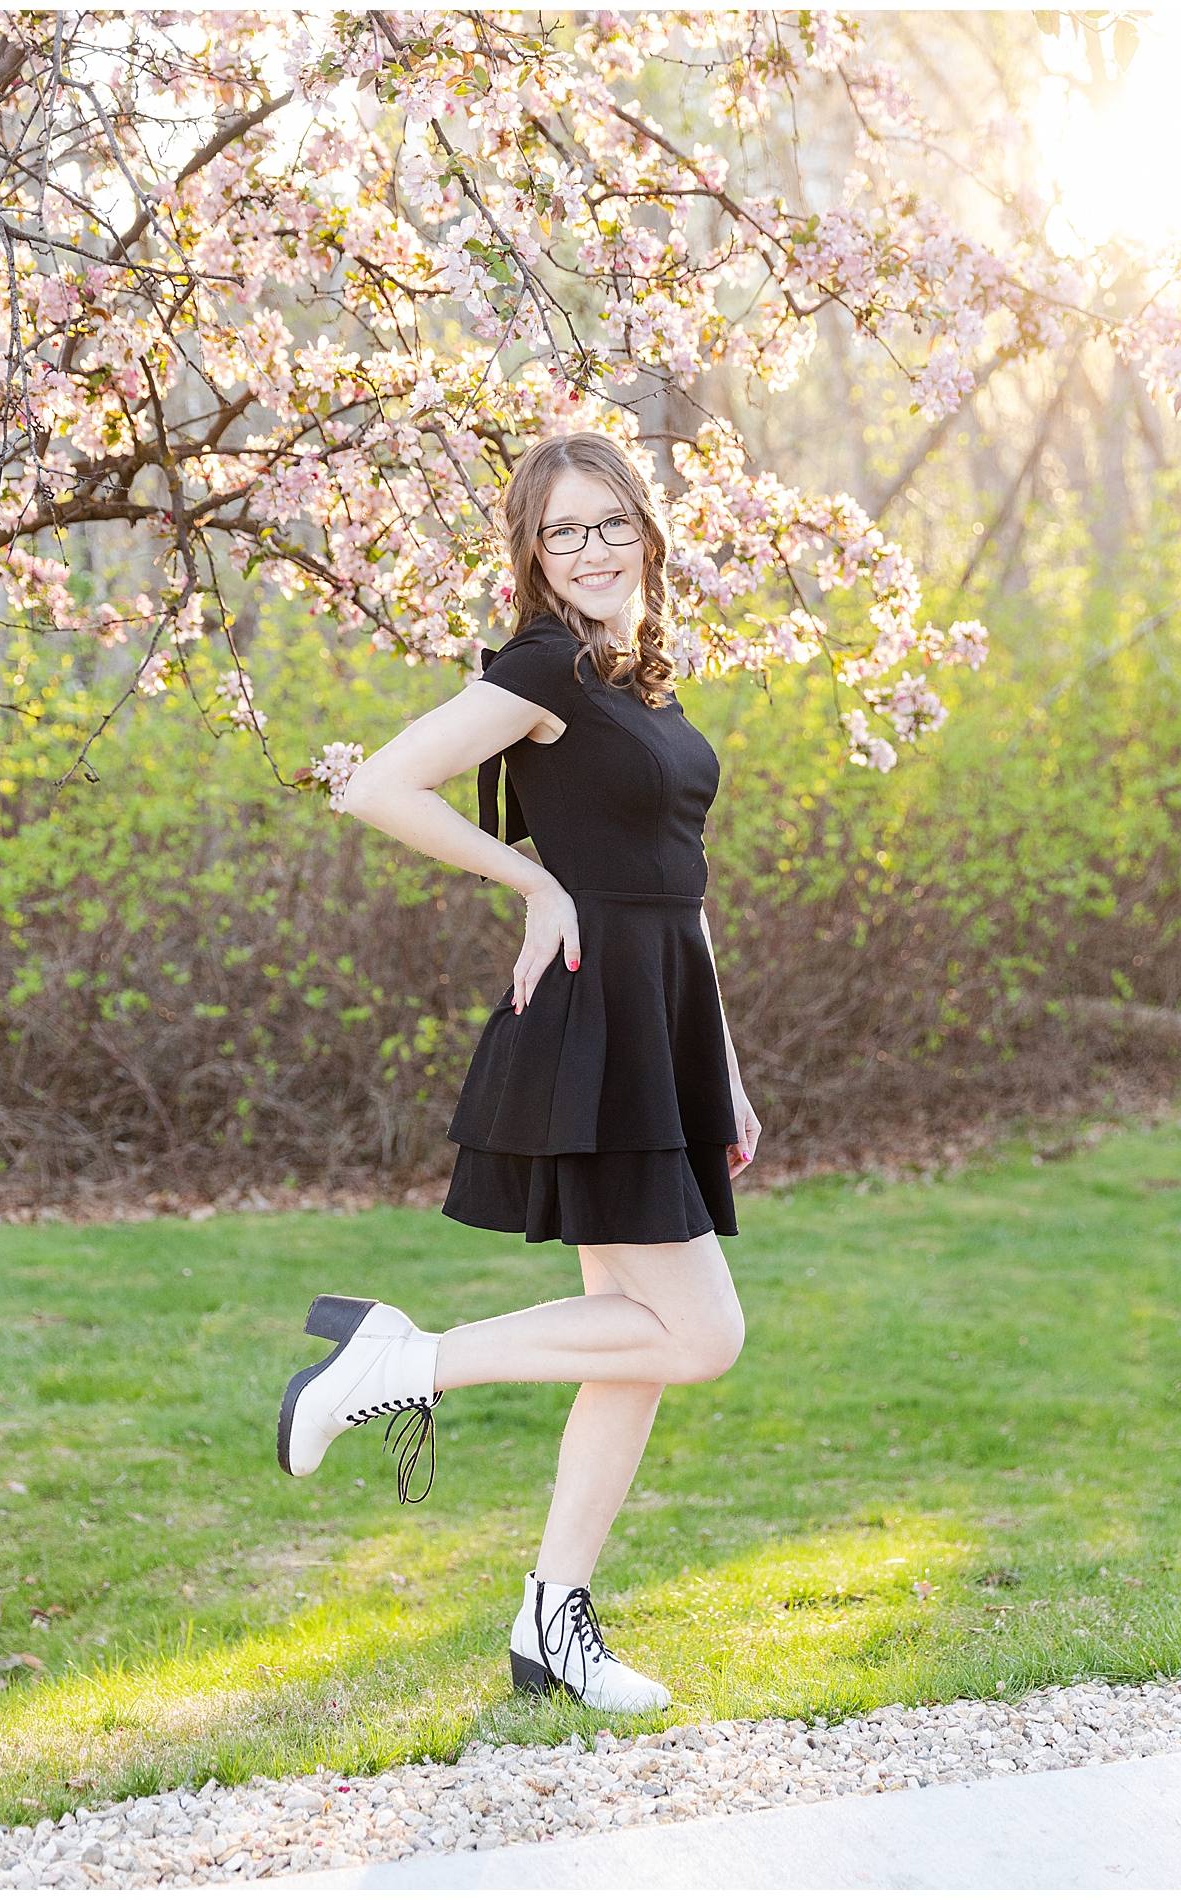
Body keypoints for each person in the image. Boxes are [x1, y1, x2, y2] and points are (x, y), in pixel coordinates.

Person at [277, 432, 761, 1714]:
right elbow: (380, 785)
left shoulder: (637, 680)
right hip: (591, 1021)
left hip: (658, 1030)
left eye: (610, 524)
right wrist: (533, 878)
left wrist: (723, 1063)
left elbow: (680, 882)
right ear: (533, 556)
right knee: (700, 1334)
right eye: (564, 533)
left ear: (646, 532)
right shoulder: (545, 665)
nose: (593, 551)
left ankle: (554, 1622)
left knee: (640, 1344)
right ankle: (395, 1365)